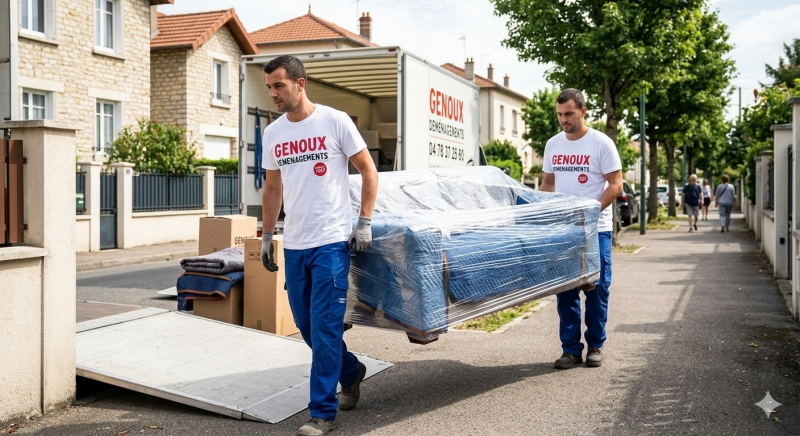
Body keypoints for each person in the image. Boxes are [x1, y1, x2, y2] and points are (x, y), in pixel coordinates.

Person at [259, 55, 378, 436]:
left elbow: (368, 170)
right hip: (295, 243)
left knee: (325, 328)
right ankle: (351, 371)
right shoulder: (273, 133)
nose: (273, 93)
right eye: (269, 87)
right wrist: (266, 235)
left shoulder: (335, 121)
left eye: (279, 85)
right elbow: (273, 188)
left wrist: (364, 221)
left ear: (300, 83)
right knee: (306, 326)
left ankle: (322, 413)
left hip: (331, 242)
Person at [540, 89, 622, 369]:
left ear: (583, 111)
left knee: (597, 289)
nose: (563, 119)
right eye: (559, 114)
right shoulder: (553, 144)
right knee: (565, 290)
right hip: (564, 229)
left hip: (596, 229)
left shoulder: (601, 143)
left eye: (569, 114)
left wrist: (592, 212)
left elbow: (616, 185)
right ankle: (571, 349)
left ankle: (596, 345)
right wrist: (541, 214)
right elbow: (548, 184)